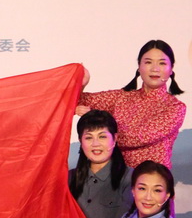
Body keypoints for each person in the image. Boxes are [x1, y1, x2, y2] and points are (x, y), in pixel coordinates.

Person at [76, 40, 185, 168]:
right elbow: (75, 101)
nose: (155, 69)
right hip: (114, 177)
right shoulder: (121, 97)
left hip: (151, 178)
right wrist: (81, 84)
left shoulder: (175, 108)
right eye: (148, 62)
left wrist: (97, 125)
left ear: (171, 69)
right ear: (139, 67)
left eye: (162, 63)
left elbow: (137, 137)